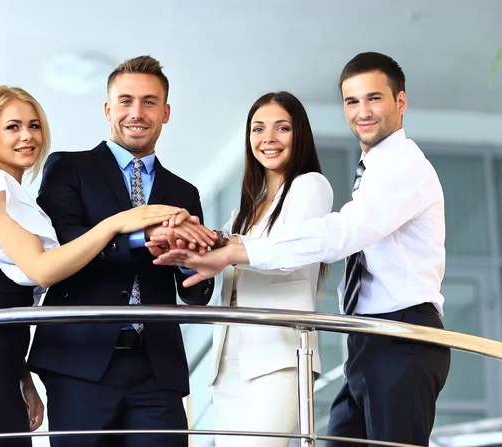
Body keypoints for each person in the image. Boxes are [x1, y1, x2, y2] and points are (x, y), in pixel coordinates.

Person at [152, 52, 451, 446]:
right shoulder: (373, 171)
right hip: (367, 339)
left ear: (401, 102)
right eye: (352, 101)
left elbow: (339, 236)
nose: (362, 111)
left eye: (374, 98)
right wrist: (195, 238)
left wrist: (230, 250)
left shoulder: (403, 167)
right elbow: (227, 246)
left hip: (402, 333)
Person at [0, 85, 185, 447]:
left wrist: (22, 375)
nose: (27, 136)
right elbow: (42, 270)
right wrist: (116, 223)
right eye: (12, 127)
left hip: (5, 344)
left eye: (34, 126)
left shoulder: (15, 193)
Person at [26, 55, 216, 447]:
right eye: (126, 101)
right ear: (108, 108)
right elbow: (65, 242)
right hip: (81, 362)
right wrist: (138, 237)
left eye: (149, 102)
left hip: (157, 368)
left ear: (165, 113)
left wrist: (197, 262)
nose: (137, 113)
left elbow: (193, 292)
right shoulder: (68, 168)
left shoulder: (184, 193)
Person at [209, 91, 333, 447]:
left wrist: (229, 250)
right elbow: (229, 263)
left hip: (278, 356)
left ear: (300, 135)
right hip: (229, 357)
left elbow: (289, 253)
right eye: (258, 129)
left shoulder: (310, 186)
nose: (268, 139)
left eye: (282, 128)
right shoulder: (246, 209)